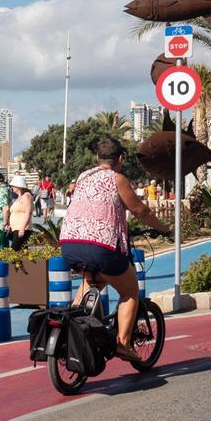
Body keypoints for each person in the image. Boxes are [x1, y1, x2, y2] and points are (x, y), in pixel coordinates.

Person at [59, 138, 172, 362]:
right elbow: (140, 210)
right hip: (101, 248)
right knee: (130, 292)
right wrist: (164, 229)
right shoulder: (117, 179)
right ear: (121, 159)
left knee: (91, 284)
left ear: (97, 158)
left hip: (70, 245)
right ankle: (122, 344)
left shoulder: (84, 177)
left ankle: (70, 331)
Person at [7, 176, 34, 251]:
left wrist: (22, 229)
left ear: (18, 186)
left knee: (14, 250)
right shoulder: (18, 197)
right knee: (21, 251)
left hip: (21, 229)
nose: (11, 187)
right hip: (15, 229)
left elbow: (28, 212)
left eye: (13, 186)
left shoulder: (26, 196)